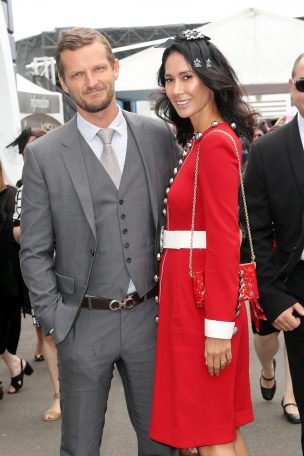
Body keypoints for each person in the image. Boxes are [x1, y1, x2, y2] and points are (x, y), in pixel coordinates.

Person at [20, 27, 180, 456]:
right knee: (80, 447)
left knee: (162, 444)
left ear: (115, 68)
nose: (90, 81)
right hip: (82, 322)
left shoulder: (158, 136)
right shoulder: (44, 155)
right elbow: (33, 249)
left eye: (97, 68)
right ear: (62, 82)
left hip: (151, 317)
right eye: (77, 74)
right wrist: (55, 320)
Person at [149, 30, 255, 455]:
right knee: (219, 430)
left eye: (187, 77)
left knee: (211, 438)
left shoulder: (214, 144)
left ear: (210, 78)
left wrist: (216, 330)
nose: (176, 89)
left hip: (202, 311)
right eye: (169, 79)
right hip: (194, 302)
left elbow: (226, 240)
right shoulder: (203, 139)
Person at [240, 52, 304, 454]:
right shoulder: (268, 152)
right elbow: (254, 232)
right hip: (297, 293)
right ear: (291, 88)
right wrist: (273, 295)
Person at [7, 127, 61, 422]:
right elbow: (16, 232)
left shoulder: (70, 178)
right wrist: (39, 229)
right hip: (44, 274)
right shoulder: (25, 190)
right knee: (51, 336)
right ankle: (58, 395)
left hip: (81, 274)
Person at [0, 160, 33, 394]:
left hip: (6, 276)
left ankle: (14, 364)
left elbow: (14, 236)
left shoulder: (11, 195)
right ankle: (15, 363)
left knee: (5, 328)